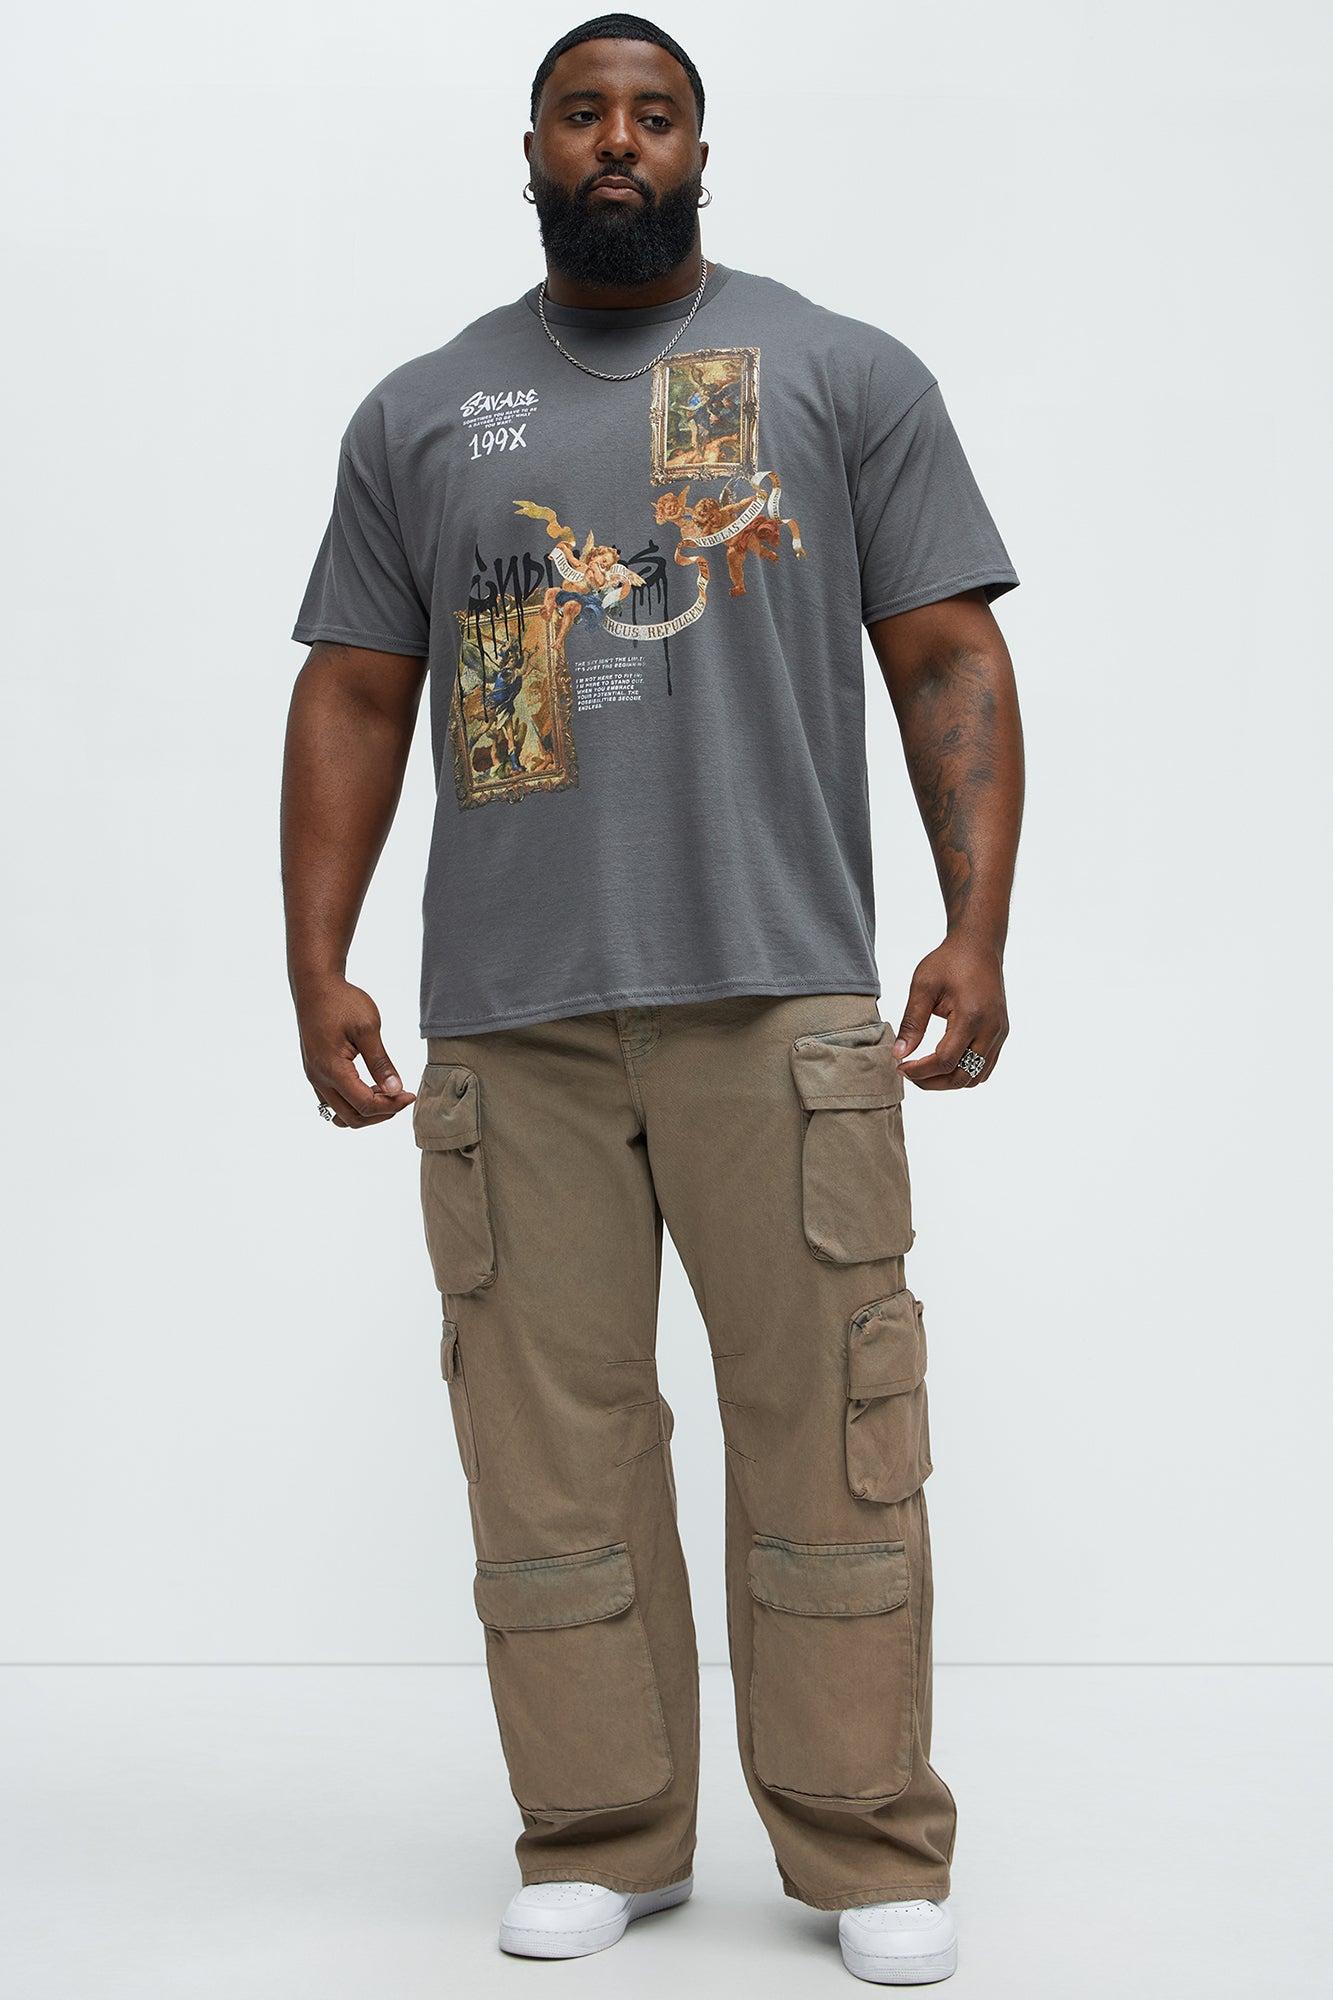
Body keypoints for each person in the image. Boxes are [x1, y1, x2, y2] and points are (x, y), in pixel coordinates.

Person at [281, 11, 1023, 1985]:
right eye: (581, 112)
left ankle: (864, 1844)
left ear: (700, 146)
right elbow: (354, 688)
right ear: (530, 146)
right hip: (508, 1019)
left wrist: (972, 925)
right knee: (549, 1455)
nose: (617, 140)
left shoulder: (834, 372)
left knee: (832, 1432)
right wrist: (315, 956)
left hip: (776, 999)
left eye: (654, 113)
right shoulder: (424, 411)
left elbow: (943, 653)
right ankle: (600, 1831)